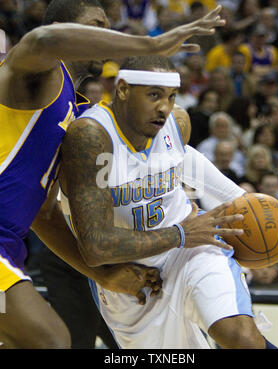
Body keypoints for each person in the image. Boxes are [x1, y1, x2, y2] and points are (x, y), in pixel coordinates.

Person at [0, 0, 227, 349]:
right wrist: (150, 44)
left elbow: (44, 214)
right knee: (50, 342)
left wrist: (104, 275)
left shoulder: (76, 115)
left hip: (9, 245)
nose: (107, 35)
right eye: (97, 25)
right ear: (65, 27)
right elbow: (41, 40)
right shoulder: (36, 76)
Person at [59, 55, 278, 349]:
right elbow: (96, 246)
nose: (164, 107)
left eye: (171, 96)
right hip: (131, 278)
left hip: (191, 251)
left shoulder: (177, 121)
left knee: (241, 338)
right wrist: (182, 234)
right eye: (153, 95)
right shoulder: (92, 137)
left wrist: (243, 200)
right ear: (123, 89)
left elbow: (182, 157)